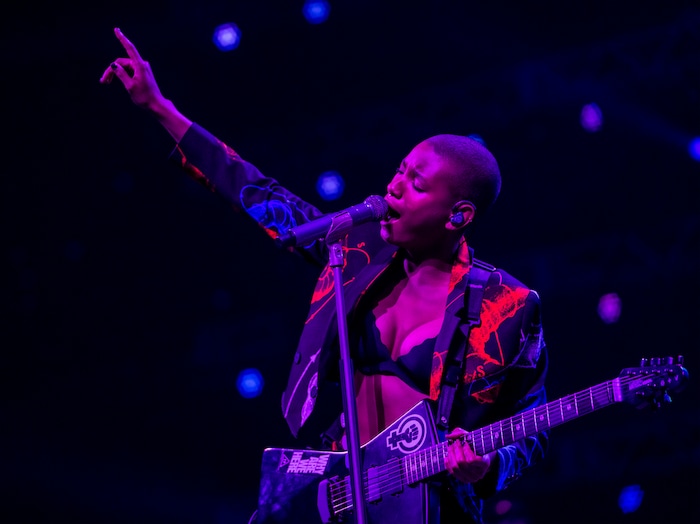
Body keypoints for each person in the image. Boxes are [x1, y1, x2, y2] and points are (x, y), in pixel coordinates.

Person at [100, 27, 549, 524]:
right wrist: (160, 107)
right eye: (400, 170)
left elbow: (532, 430)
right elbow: (259, 194)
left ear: (458, 215)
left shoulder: (506, 305)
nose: (394, 187)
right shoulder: (357, 249)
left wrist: (486, 467)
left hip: (430, 507)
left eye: (416, 184)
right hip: (338, 494)